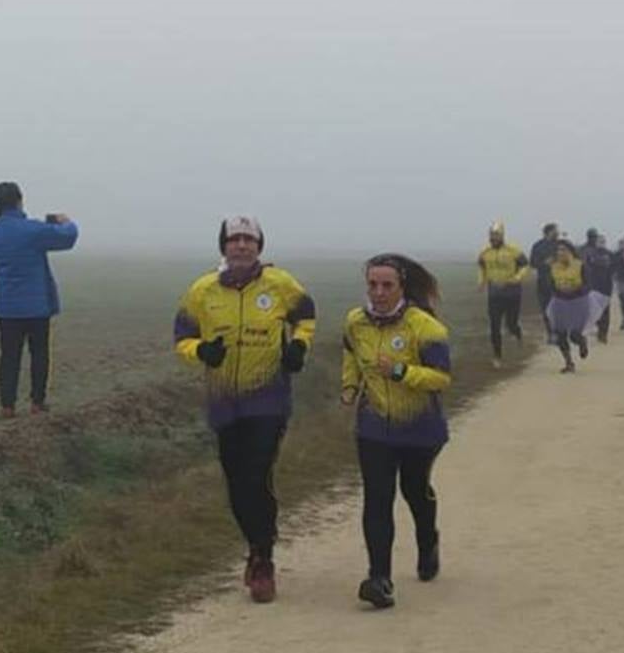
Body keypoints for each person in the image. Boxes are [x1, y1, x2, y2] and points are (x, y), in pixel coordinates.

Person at [173, 217, 316, 604]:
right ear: (223, 246)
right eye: (233, 240)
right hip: (224, 401)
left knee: (257, 473)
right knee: (236, 484)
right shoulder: (202, 291)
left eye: (248, 240)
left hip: (268, 399)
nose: (240, 246)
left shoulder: (280, 284)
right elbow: (182, 336)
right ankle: (257, 543)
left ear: (259, 246)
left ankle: (263, 558)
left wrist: (298, 346)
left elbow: (306, 314)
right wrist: (201, 351)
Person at [341, 254, 451, 609]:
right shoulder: (355, 323)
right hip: (373, 427)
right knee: (377, 497)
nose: (379, 292)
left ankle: (427, 540)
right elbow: (351, 357)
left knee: (414, 490)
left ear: (402, 287)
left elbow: (441, 378)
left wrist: (403, 373)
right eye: (373, 284)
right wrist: (349, 386)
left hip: (420, 427)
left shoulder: (426, 327)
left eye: (387, 285)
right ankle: (379, 578)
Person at [0, 181, 79, 419]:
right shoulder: (33, 230)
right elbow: (68, 238)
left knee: (8, 357)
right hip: (36, 306)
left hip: (7, 307)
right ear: (19, 201)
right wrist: (65, 221)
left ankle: (7, 406)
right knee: (39, 354)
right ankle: (37, 402)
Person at [545, 240, 609, 373]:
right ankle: (569, 363)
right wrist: (559, 290)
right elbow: (550, 285)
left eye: (563, 250)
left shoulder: (580, 266)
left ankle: (582, 342)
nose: (560, 253)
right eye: (558, 250)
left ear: (571, 251)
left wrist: (575, 289)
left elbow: (588, 285)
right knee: (560, 334)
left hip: (578, 302)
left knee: (574, 334)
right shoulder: (554, 267)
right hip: (560, 302)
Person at [478, 221, 528, 368]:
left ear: (502, 236)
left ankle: (517, 332)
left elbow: (525, 265)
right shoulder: (485, 253)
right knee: (494, 325)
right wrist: (482, 281)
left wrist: (517, 278)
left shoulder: (514, 251)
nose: (493, 238)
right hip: (494, 294)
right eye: (491, 235)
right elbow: (481, 268)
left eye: (496, 235)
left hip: (512, 293)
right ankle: (497, 355)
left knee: (510, 324)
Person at [529, 222, 560, 344]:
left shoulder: (560, 245)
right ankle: (551, 334)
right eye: (555, 231)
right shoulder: (538, 246)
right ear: (548, 232)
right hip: (543, 282)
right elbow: (532, 263)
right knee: (546, 309)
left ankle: (559, 333)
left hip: (560, 282)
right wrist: (544, 263)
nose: (557, 233)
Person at [584, 233, 615, 343]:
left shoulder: (611, 254)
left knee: (605, 311)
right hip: (594, 286)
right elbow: (586, 269)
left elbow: (613, 270)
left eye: (603, 241)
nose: (601, 243)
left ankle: (603, 334)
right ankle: (598, 328)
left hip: (606, 286)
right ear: (596, 242)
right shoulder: (590, 254)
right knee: (595, 310)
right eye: (599, 241)